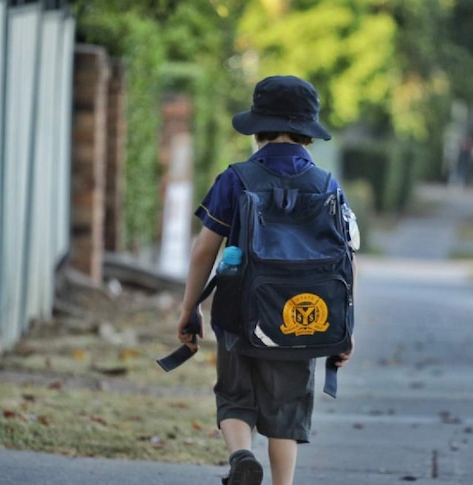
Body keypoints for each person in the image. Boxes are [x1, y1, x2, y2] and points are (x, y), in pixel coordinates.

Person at [174, 75, 358, 485]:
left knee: (235, 397)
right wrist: (345, 328)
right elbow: (346, 261)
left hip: (239, 312)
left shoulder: (236, 178)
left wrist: (190, 309)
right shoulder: (328, 186)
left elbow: (204, 249)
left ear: (257, 127)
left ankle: (241, 455)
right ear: (308, 133)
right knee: (286, 410)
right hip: (302, 318)